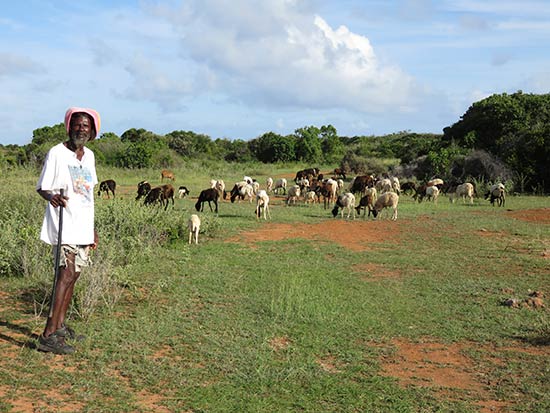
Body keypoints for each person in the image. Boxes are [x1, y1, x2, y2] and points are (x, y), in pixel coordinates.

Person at [36, 107, 100, 354]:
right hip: (64, 223)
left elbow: (88, 195)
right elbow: (42, 187)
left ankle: (60, 326)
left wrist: (91, 229)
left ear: (92, 131)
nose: (81, 129)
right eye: (77, 125)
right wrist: (51, 196)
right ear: (69, 127)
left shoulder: (90, 157)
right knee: (65, 274)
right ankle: (48, 335)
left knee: (74, 276)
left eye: (86, 126)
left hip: (82, 225)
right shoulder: (57, 153)